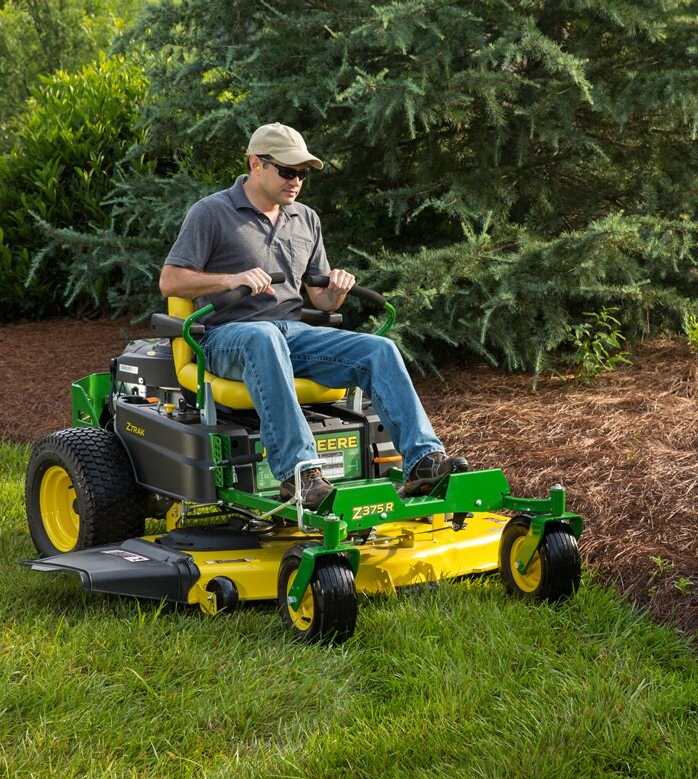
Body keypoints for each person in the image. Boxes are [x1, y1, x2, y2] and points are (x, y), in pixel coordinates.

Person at [159, 122, 467, 508]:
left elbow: (320, 301)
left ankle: (422, 460)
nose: (297, 181)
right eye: (288, 171)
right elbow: (170, 281)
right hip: (227, 337)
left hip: (290, 333)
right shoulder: (211, 212)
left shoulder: (305, 219)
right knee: (264, 337)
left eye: (302, 173)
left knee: (379, 350)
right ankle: (299, 474)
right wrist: (231, 278)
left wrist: (333, 291)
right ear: (256, 164)